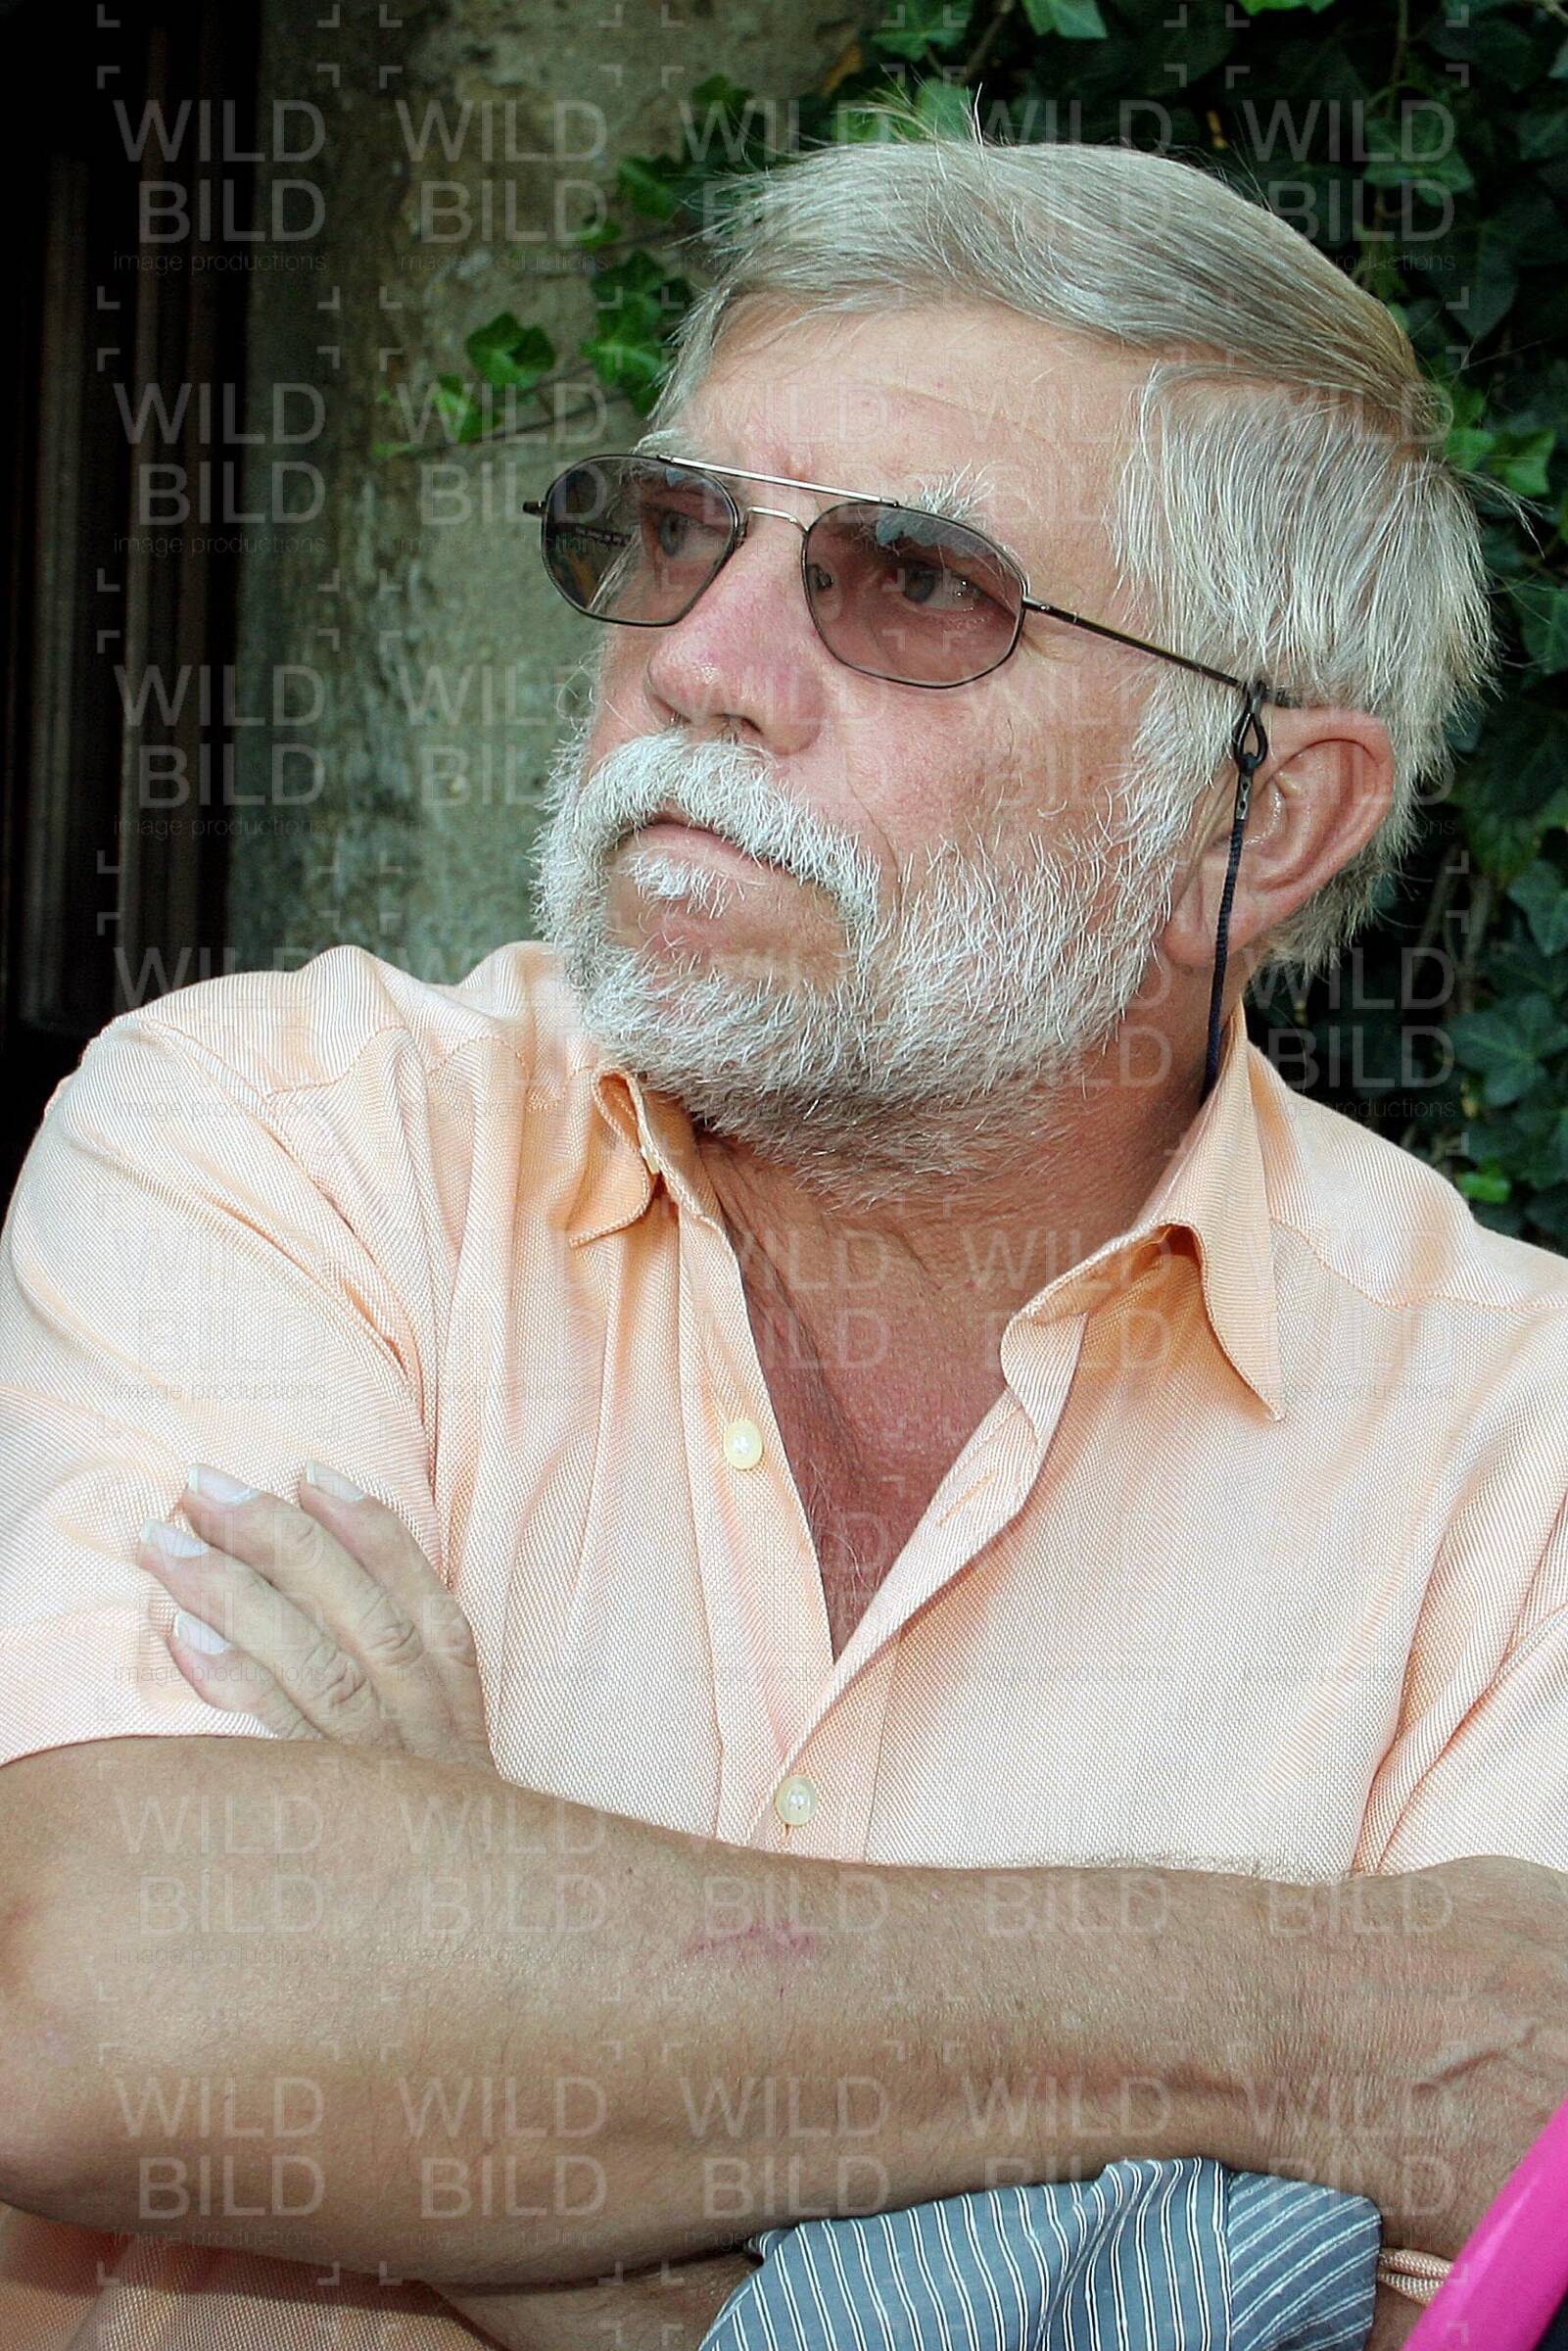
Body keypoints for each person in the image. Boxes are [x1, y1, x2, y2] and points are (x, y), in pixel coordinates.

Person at [1, 113, 1566, 2351]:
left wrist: (473, 1999)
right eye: (676, 531)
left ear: (1269, 814)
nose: (702, 661)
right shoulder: (287, 1133)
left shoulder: (1520, 1447)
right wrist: (1304, 2010)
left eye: (910, 583)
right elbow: (115, 2002)